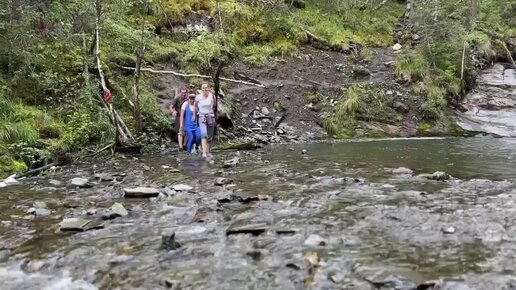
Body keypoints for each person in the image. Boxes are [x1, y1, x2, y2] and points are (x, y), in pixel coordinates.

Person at [195, 83, 216, 158]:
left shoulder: (211, 95)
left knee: (209, 137)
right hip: (202, 116)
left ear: (208, 88)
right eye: (203, 88)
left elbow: (214, 105)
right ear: (201, 89)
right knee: (203, 134)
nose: (204, 89)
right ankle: (204, 153)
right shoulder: (198, 97)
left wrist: (213, 96)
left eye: (206, 88)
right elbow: (195, 105)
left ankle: (208, 151)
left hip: (210, 116)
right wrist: (196, 114)